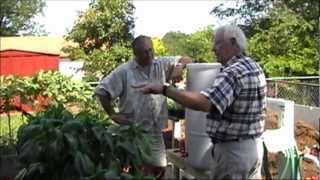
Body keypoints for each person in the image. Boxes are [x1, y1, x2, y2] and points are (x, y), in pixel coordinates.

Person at [133, 25, 267, 179]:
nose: (212, 49)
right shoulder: (253, 67)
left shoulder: (233, 72)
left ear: (232, 42)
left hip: (232, 155)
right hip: (254, 149)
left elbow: (206, 103)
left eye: (217, 43)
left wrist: (165, 89)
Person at [95, 35, 192, 179]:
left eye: (151, 50)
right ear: (135, 54)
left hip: (155, 132)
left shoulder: (160, 64)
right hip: (132, 133)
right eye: (144, 52)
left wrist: (179, 67)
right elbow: (101, 91)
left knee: (160, 169)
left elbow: (187, 59)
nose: (149, 55)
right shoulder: (124, 71)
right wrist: (112, 114)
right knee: (135, 171)